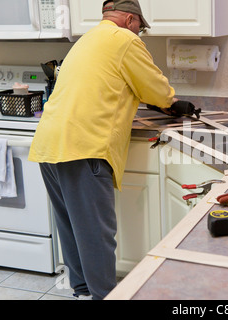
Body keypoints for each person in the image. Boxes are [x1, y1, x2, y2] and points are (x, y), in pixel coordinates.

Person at [28, 0, 176, 300]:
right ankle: (105, 297)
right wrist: (171, 101)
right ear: (130, 19)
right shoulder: (124, 39)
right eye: (139, 28)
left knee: (72, 228)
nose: (139, 34)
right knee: (95, 234)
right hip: (84, 147)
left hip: (49, 144)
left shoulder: (87, 40)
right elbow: (158, 91)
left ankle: (83, 292)